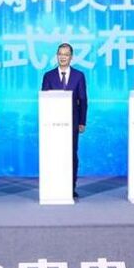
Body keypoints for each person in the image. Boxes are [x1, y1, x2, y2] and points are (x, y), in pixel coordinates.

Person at [41, 43, 88, 198]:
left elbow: (83, 100)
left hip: (72, 123)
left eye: (66, 54)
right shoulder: (48, 76)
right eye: (60, 54)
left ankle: (70, 187)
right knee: (54, 154)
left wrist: (82, 122)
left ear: (71, 57)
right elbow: (44, 100)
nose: (63, 57)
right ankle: (54, 185)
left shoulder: (79, 76)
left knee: (71, 154)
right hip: (52, 124)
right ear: (57, 56)